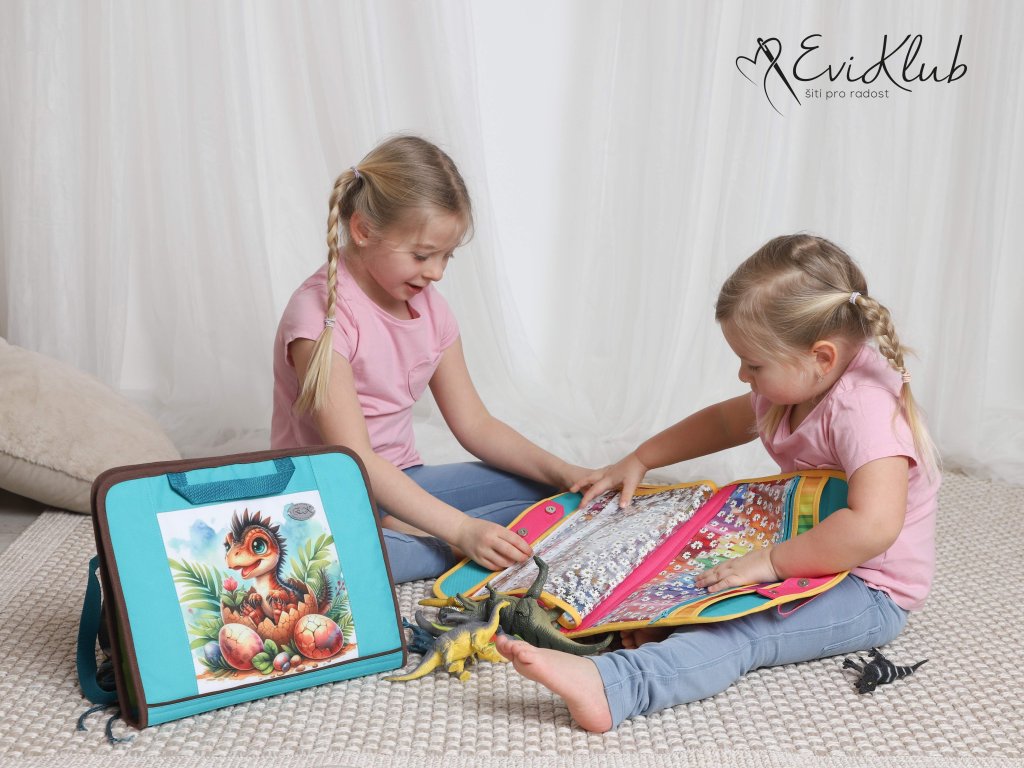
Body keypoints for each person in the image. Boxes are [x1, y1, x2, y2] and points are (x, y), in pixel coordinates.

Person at [494, 233, 941, 732]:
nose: (743, 375)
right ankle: (658, 627)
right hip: (803, 546)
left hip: (868, 587)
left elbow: (873, 526)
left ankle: (616, 687)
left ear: (822, 358)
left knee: (742, 631)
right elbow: (725, 422)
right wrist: (640, 458)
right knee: (689, 563)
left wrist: (770, 563)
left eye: (754, 364)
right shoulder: (799, 383)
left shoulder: (865, 409)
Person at [271, 135, 589, 583]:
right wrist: (461, 530)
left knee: (550, 494)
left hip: (404, 481)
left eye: (446, 256)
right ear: (362, 231)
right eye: (422, 255)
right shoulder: (319, 318)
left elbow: (476, 424)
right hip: (328, 496)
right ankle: (414, 539)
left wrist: (568, 473)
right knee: (330, 566)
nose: (436, 272)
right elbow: (355, 459)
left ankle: (411, 527)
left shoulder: (431, 309)